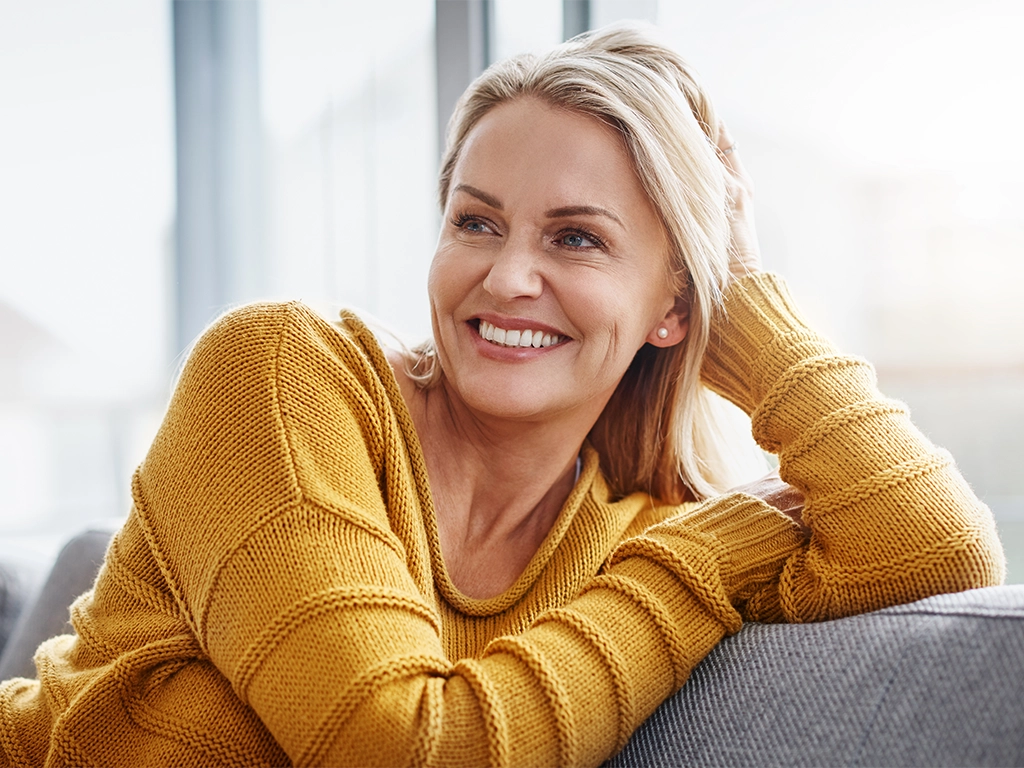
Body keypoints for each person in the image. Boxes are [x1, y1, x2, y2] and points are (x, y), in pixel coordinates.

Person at [0, 23, 1004, 768]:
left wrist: (739, 309)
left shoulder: (637, 536)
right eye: (475, 223)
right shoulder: (281, 376)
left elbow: (936, 547)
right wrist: (688, 568)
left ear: (673, 307)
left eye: (576, 239)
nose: (506, 277)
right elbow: (392, 748)